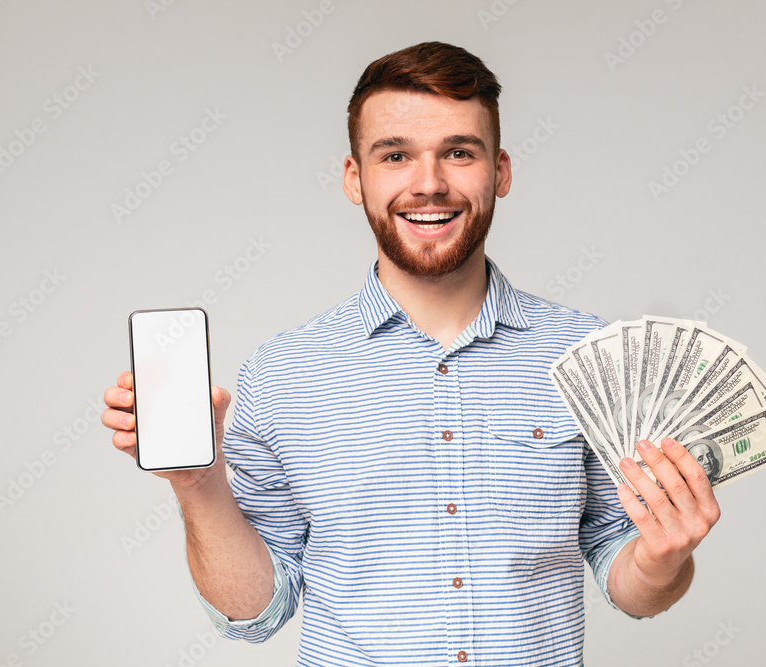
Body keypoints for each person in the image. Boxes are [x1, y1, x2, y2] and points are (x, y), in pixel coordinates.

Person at [102, 41, 720, 665]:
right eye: (395, 155)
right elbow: (255, 613)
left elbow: (633, 583)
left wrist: (663, 559)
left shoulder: (590, 356)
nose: (429, 184)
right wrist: (198, 483)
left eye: (458, 152)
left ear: (500, 171)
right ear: (355, 178)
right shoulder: (283, 373)